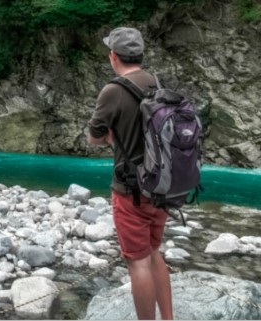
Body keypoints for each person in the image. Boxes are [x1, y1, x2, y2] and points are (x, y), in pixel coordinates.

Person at [87, 27, 173, 320]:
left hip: (129, 189)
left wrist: (112, 137)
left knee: (137, 263)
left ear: (113, 56)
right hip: (162, 185)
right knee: (154, 253)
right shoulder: (155, 82)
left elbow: (94, 137)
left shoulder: (113, 90)